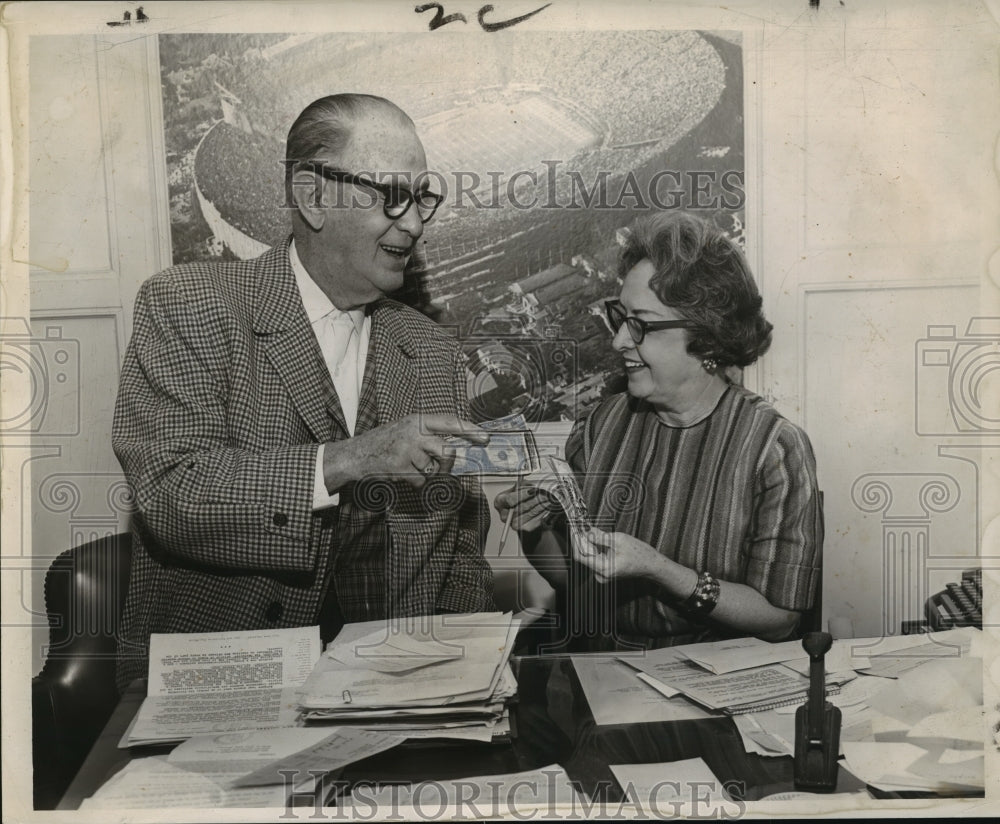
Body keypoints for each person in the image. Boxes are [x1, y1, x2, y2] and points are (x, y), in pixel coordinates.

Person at [112, 94, 495, 689]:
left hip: (396, 693)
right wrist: (353, 458)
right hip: (226, 688)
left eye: (423, 197)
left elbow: (460, 538)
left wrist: (470, 670)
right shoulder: (188, 304)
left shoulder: (431, 349)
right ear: (313, 197)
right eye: (392, 194)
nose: (416, 223)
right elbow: (172, 497)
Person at [497, 211, 822, 651]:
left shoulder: (773, 449)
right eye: (620, 318)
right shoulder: (602, 425)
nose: (618, 342)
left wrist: (661, 570)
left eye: (641, 325)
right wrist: (532, 530)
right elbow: (576, 582)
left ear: (706, 335)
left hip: (715, 682)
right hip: (599, 676)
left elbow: (780, 620)